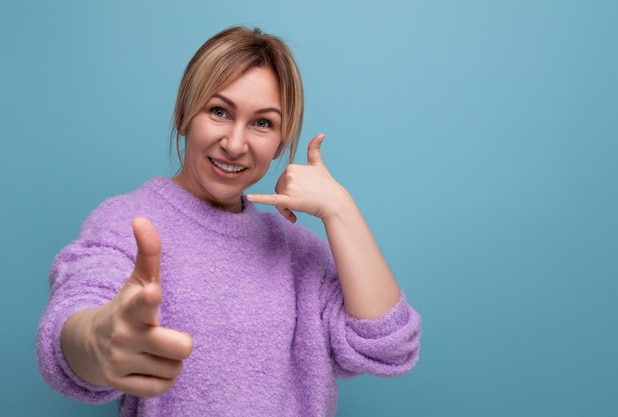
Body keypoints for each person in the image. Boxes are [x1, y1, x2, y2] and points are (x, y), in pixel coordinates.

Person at [37, 26, 421, 417]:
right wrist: (97, 343)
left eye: (262, 123)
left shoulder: (294, 252)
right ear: (185, 115)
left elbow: (389, 344)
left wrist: (340, 208)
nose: (235, 145)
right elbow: (73, 319)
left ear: (279, 142)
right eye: (219, 112)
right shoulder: (124, 222)